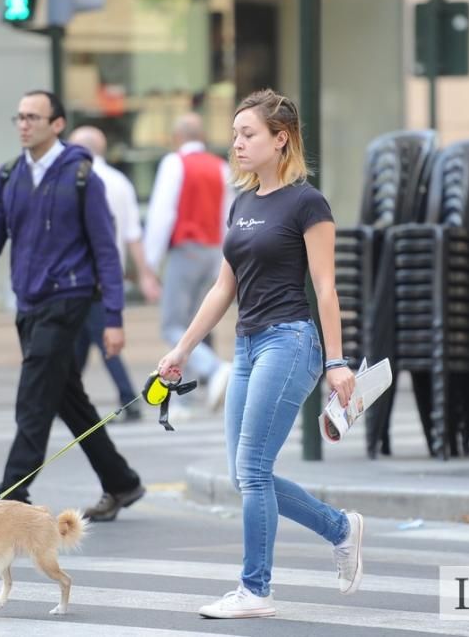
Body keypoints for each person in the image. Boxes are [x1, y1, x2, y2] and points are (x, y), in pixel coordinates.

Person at [156, 90, 363, 619]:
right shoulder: (242, 201)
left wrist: (336, 360)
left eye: (248, 134)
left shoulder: (307, 202)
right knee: (245, 473)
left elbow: (325, 287)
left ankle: (256, 589)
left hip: (290, 341)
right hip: (247, 344)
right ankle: (340, 528)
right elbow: (223, 289)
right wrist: (181, 349)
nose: (238, 144)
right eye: (235, 135)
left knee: (251, 469)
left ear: (281, 138)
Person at [0, 90, 145, 521]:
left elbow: (107, 252)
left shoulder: (83, 176)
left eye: (33, 117)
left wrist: (113, 317)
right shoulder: (10, 175)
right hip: (28, 304)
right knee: (69, 400)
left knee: (33, 398)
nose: (23, 124)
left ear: (57, 125)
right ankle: (122, 483)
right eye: (20, 117)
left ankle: (8, 496)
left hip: (67, 300)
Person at [68, 126, 161, 423]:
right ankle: (64, 398)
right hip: (110, 275)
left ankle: (128, 398)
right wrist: (145, 274)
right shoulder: (120, 182)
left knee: (103, 339)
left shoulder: (78, 181)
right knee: (81, 341)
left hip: (83, 276)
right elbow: (134, 235)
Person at [144, 113, 235, 411]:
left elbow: (162, 215)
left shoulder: (174, 163)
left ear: (177, 138)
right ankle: (193, 392)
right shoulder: (220, 167)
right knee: (197, 324)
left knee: (173, 325)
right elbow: (228, 215)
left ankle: (214, 369)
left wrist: (149, 265)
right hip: (213, 253)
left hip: (186, 250)